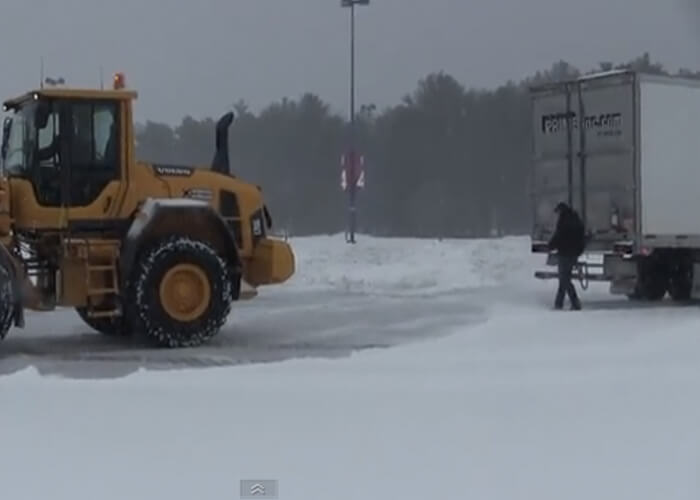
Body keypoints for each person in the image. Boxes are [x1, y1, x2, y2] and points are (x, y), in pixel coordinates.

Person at [548, 201, 586, 310]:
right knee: (564, 279)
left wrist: (550, 246)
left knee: (564, 279)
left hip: (564, 253)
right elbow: (581, 237)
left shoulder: (564, 221)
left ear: (561, 211)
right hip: (573, 253)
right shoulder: (576, 219)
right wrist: (579, 250)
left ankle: (574, 302)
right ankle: (559, 303)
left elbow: (559, 236)